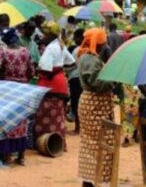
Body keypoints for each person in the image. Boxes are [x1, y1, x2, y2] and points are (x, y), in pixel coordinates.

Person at [76, 28, 115, 187]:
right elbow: (98, 85)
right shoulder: (92, 60)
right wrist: (113, 77)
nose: (105, 46)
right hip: (95, 103)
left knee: (89, 142)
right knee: (104, 140)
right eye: (103, 43)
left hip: (88, 102)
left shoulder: (84, 56)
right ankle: (99, 180)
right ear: (97, 44)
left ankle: (88, 181)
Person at [36, 22, 75, 151]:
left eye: (45, 33)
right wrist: (60, 70)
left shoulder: (50, 48)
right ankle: (60, 142)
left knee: (45, 116)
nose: (43, 36)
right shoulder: (61, 45)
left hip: (50, 85)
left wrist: (37, 70)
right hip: (61, 84)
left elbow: (46, 70)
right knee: (58, 116)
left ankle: (45, 143)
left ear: (50, 35)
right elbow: (72, 63)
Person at [0, 28, 35, 167]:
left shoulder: (3, 52)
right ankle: (21, 157)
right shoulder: (25, 52)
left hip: (8, 90)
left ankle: (7, 157)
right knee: (22, 121)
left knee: (9, 122)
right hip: (23, 90)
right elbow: (32, 71)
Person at [67, 29, 85, 134]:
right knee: (81, 103)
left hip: (75, 79)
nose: (74, 39)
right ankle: (81, 127)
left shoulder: (77, 50)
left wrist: (63, 69)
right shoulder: (87, 49)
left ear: (80, 38)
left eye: (75, 37)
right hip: (82, 79)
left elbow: (71, 65)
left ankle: (77, 128)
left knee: (76, 103)